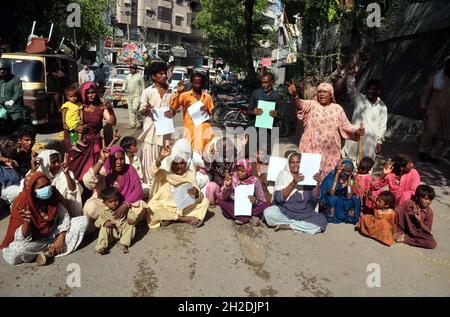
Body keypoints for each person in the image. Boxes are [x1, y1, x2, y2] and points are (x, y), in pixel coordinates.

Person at [1, 172, 88, 265]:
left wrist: (61, 236)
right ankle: (51, 250)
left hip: (54, 233)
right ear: (31, 190)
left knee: (82, 221)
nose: (47, 189)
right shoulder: (21, 203)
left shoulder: (53, 194)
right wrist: (26, 223)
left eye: (48, 185)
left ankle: (49, 251)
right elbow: (20, 238)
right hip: (35, 240)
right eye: (41, 187)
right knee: (16, 251)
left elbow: (64, 216)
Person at [288, 80, 364, 176]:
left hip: (330, 150)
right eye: (319, 92)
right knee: (310, 176)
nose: (322, 94)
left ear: (331, 94)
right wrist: (295, 95)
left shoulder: (337, 108)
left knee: (328, 175)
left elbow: (346, 125)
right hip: (311, 147)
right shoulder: (312, 105)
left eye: (325, 92)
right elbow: (300, 106)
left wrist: (356, 130)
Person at [83, 146, 146, 235]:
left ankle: (113, 228)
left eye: (122, 159)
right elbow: (87, 180)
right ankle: (114, 226)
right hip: (106, 207)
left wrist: (125, 204)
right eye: (115, 159)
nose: (119, 162)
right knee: (90, 207)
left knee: (142, 205)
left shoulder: (129, 169)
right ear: (109, 160)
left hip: (126, 206)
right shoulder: (104, 171)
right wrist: (102, 159)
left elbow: (139, 191)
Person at [147, 139, 209, 229]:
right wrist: (160, 157)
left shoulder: (189, 174)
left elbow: (199, 197)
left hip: (182, 207)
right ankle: (182, 219)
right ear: (172, 162)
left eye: (182, 163)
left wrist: (196, 193)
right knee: (151, 205)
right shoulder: (165, 172)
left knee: (205, 202)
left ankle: (169, 217)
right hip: (165, 205)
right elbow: (153, 171)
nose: (180, 166)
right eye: (177, 163)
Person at [264, 152, 327, 234]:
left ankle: (289, 226)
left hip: (303, 212)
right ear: (288, 164)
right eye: (292, 162)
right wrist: (293, 183)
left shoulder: (308, 176)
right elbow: (279, 198)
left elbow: (314, 197)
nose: (295, 165)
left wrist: (317, 183)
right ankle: (298, 225)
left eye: (298, 162)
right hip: (285, 210)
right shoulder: (283, 175)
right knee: (268, 213)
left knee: (322, 221)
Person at [67, 82, 117, 182]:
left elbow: (112, 122)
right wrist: (76, 130)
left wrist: (110, 108)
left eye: (93, 92)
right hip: (79, 143)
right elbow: (67, 124)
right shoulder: (78, 106)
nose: (91, 95)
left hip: (94, 144)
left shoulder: (101, 107)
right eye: (88, 93)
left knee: (94, 174)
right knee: (75, 172)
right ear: (83, 94)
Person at [342, 64, 388, 162]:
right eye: (370, 89)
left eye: (374, 89)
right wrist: (350, 76)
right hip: (354, 142)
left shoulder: (382, 107)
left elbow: (382, 126)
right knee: (347, 168)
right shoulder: (359, 99)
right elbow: (351, 90)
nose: (371, 91)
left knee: (365, 171)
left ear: (379, 91)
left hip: (370, 145)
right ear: (367, 89)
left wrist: (379, 142)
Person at [139, 62, 174, 188]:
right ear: (154, 76)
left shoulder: (171, 92)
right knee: (150, 162)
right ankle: (150, 188)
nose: (164, 75)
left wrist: (173, 112)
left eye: (165, 73)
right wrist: (146, 109)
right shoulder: (147, 92)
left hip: (165, 133)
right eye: (161, 73)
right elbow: (141, 110)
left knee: (165, 161)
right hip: (151, 133)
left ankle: (162, 188)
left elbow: (174, 109)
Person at [169, 72, 215, 153]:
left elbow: (211, 113)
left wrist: (206, 110)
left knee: (207, 155)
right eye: (196, 83)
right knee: (192, 156)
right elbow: (173, 106)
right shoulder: (184, 96)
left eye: (200, 83)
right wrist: (178, 92)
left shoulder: (207, 97)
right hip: (191, 131)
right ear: (191, 83)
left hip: (205, 129)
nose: (198, 85)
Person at [30, 150, 83, 217]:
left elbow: (73, 191)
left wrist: (66, 174)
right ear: (45, 163)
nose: (57, 164)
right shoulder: (33, 173)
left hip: (64, 208)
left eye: (58, 161)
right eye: (53, 162)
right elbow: (25, 191)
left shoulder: (63, 173)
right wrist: (33, 171)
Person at [218, 159, 271, 226]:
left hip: (249, 206)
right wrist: (227, 186)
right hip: (235, 204)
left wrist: (255, 200)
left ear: (248, 170)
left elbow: (261, 199)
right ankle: (248, 218)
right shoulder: (232, 177)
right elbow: (223, 197)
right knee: (221, 201)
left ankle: (240, 217)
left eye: (243, 171)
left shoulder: (255, 181)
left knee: (268, 204)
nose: (239, 173)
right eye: (238, 170)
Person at [419, 56, 450, 163]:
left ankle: (434, 155)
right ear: (446, 65)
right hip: (433, 110)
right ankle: (423, 151)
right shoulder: (437, 78)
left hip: (447, 114)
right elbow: (427, 92)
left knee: (443, 135)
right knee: (431, 131)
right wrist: (423, 105)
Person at [95, 187, 137, 254]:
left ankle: (123, 243)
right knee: (104, 228)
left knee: (131, 226)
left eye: (116, 200)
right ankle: (101, 246)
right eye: (110, 202)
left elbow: (132, 214)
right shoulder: (103, 211)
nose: (114, 203)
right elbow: (97, 223)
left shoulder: (123, 208)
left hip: (123, 231)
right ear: (105, 203)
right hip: (112, 233)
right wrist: (105, 223)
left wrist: (131, 219)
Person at [247, 73, 281, 156]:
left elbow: (281, 114)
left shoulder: (277, 96)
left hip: (269, 132)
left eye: (266, 83)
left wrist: (276, 114)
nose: (263, 85)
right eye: (262, 82)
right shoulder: (255, 93)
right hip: (255, 129)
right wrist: (253, 112)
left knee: (266, 155)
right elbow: (248, 111)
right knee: (250, 153)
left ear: (272, 82)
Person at [394, 185, 437, 249]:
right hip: (401, 229)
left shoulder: (429, 212)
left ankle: (405, 238)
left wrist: (420, 221)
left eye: (430, 200)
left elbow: (428, 231)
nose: (429, 202)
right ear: (417, 197)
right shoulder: (408, 203)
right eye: (426, 199)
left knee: (432, 243)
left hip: (416, 233)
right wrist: (395, 231)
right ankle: (398, 235)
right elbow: (397, 213)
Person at [319, 159, 361, 224]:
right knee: (333, 199)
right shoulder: (333, 174)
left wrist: (349, 179)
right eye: (344, 170)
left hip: (340, 198)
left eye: (348, 171)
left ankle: (345, 214)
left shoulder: (350, 178)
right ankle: (331, 216)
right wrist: (337, 175)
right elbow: (332, 193)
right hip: (328, 197)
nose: (346, 173)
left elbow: (349, 196)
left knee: (355, 199)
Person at [204, 137, 238, 207]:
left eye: (229, 146)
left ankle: (227, 202)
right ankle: (214, 202)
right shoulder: (216, 159)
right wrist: (210, 155)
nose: (228, 148)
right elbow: (207, 164)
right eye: (225, 147)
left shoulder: (237, 159)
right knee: (211, 186)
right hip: (218, 187)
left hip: (231, 189)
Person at [0, 59, 28, 130]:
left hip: (14, 108)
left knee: (17, 124)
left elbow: (18, 92)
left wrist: (12, 100)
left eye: (4, 69)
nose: (2, 71)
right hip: (1, 107)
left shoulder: (15, 79)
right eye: (0, 69)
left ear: (8, 69)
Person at [61, 86, 86, 150]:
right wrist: (64, 123)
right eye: (71, 96)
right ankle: (74, 143)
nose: (74, 98)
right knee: (73, 133)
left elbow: (81, 112)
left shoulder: (79, 104)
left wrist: (81, 120)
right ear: (67, 97)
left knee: (81, 129)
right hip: (70, 121)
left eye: (75, 96)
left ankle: (77, 141)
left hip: (77, 120)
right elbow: (63, 113)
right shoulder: (67, 104)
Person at [124, 64, 145, 129]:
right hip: (129, 95)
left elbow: (143, 86)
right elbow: (125, 83)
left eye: (133, 68)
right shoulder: (128, 76)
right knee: (130, 110)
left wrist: (143, 96)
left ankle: (141, 121)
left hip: (137, 95)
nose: (132, 69)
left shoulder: (139, 77)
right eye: (131, 68)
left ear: (136, 69)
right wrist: (123, 89)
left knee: (135, 109)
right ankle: (133, 124)